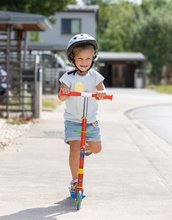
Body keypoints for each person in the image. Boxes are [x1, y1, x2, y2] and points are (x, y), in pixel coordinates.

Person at [58, 33, 107, 192]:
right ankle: (75, 181)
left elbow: (102, 91)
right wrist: (63, 94)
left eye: (88, 59)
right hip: (73, 121)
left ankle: (86, 148)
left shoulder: (95, 76)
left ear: (93, 58)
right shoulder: (68, 77)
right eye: (80, 59)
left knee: (96, 149)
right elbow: (62, 94)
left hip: (91, 121)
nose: (84, 62)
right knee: (74, 149)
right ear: (72, 59)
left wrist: (101, 94)